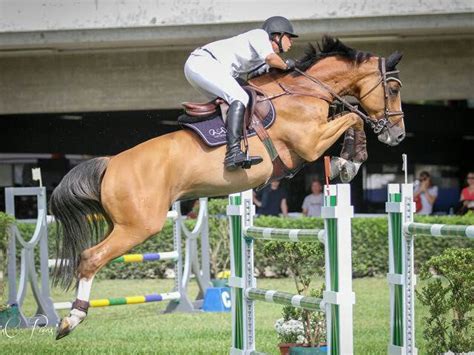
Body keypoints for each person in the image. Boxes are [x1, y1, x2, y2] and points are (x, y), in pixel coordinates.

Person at [184, 16, 298, 171]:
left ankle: (216, 141)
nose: (291, 42)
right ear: (277, 35)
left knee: (235, 100)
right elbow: (271, 59)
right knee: (240, 97)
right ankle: (233, 153)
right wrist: (285, 65)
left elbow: (261, 73)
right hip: (204, 62)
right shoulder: (260, 35)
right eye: (289, 37)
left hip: (203, 67)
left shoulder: (260, 55)